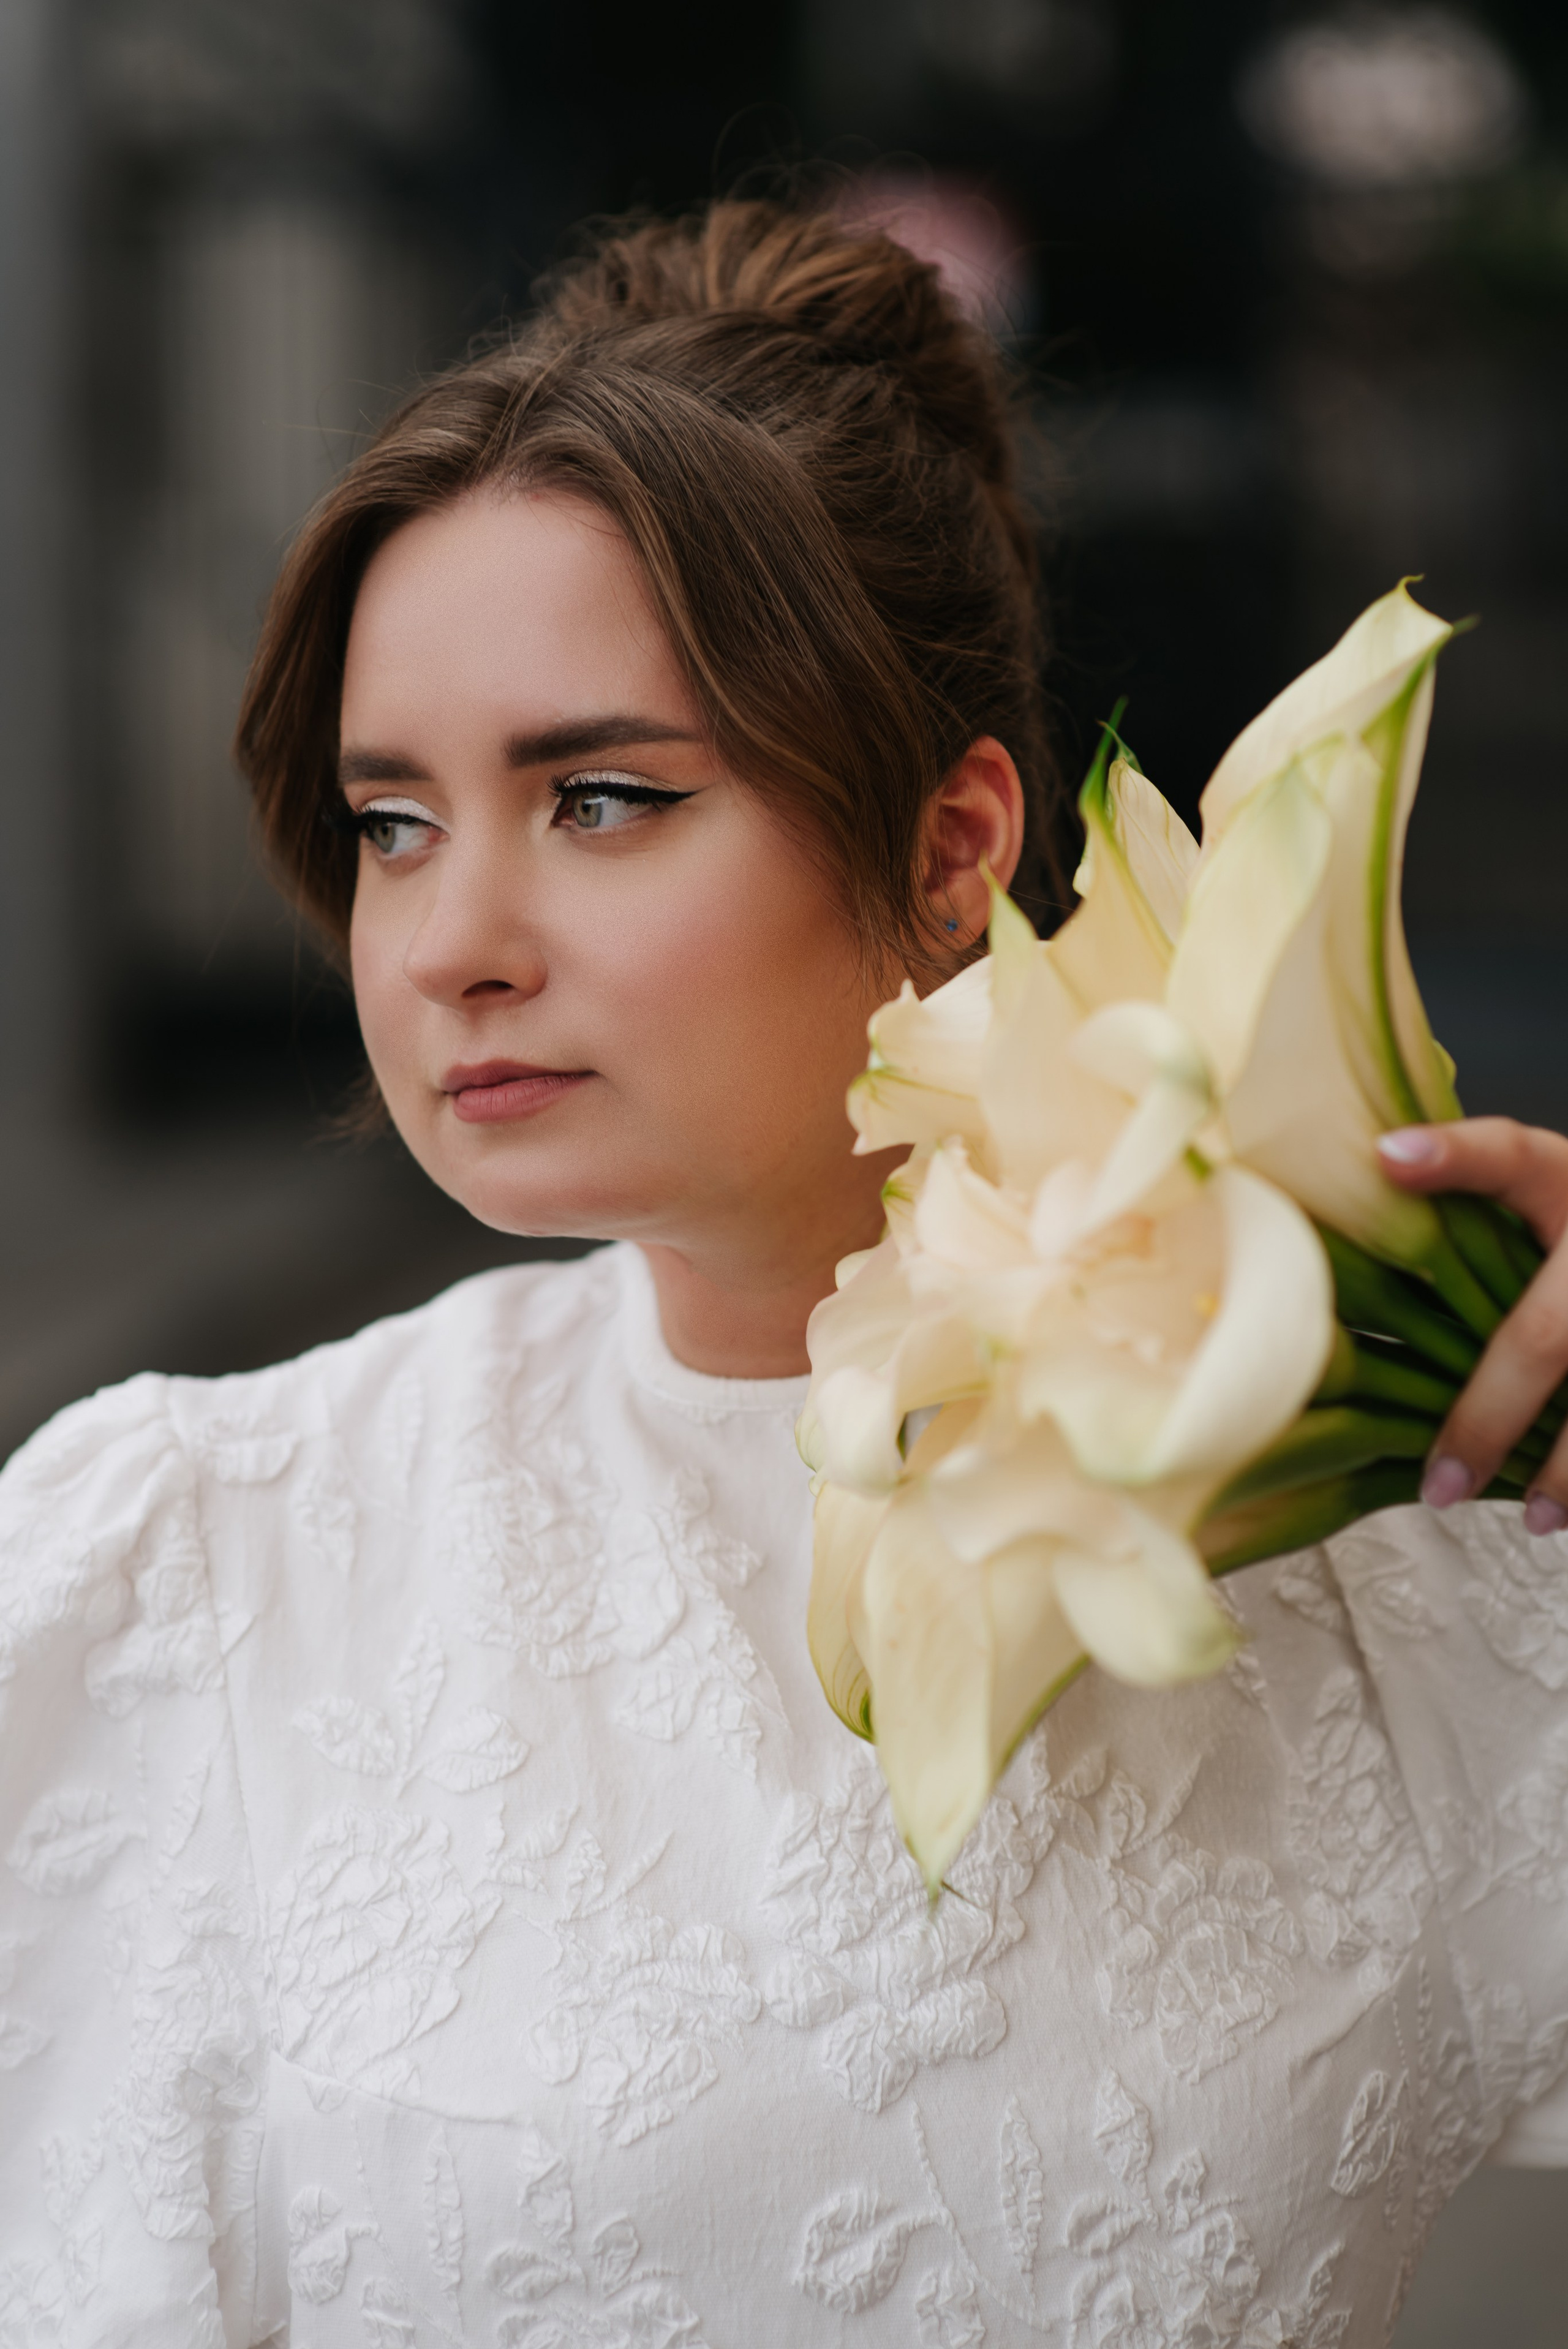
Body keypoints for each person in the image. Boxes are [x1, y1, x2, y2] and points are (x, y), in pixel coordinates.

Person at [3, 198, 1567, 2349]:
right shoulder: (197, 1561)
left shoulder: (1381, 1501)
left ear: (953, 848)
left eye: (607, 798)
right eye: (390, 823)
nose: (451, 936)